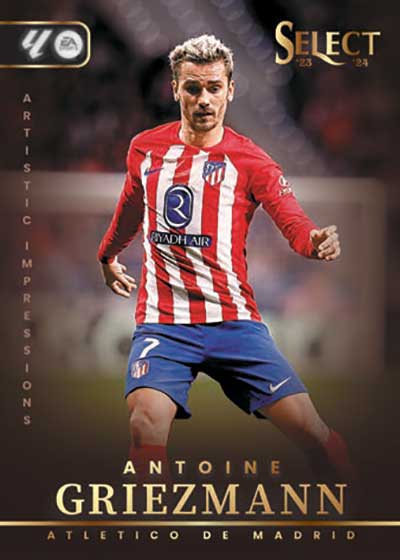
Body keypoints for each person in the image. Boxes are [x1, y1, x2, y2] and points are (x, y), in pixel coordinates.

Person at [98, 35, 354, 483]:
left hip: (233, 321)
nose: (204, 99)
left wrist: (313, 242)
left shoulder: (252, 161)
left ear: (230, 90)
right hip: (164, 323)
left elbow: (292, 221)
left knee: (308, 429)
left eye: (214, 88)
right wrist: (107, 255)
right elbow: (131, 207)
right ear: (175, 89)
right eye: (193, 88)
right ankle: (151, 516)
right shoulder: (145, 149)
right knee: (145, 422)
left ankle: (351, 492)